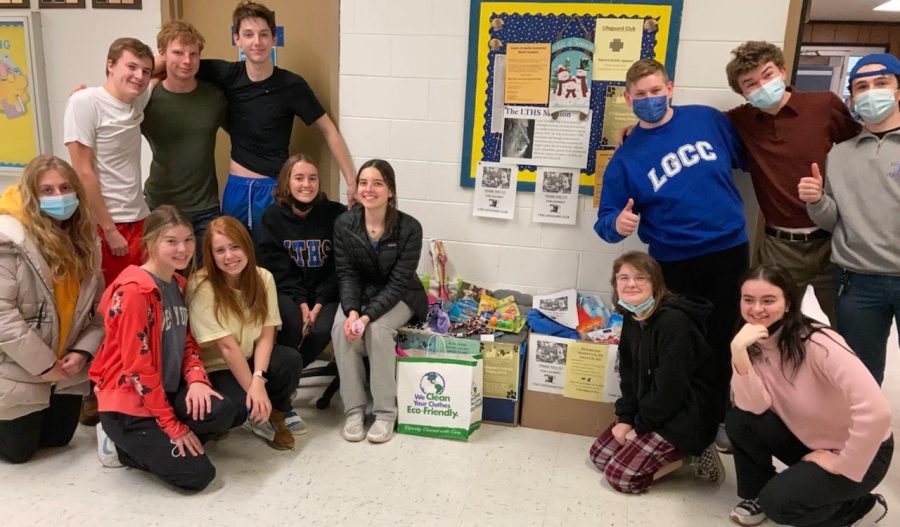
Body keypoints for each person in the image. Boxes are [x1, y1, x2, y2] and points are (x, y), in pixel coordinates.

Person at [594, 58, 748, 447]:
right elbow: (606, 220)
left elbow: (750, 156)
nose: (650, 99)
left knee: (723, 341)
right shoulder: (627, 157)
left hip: (727, 250)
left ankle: (717, 422)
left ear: (670, 88)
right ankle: (675, 424)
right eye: (641, 94)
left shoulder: (708, 120)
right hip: (672, 261)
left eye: (656, 91)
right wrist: (618, 225)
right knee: (673, 348)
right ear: (629, 99)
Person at [726, 264, 892, 526]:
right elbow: (753, 406)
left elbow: (877, 412)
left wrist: (842, 463)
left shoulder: (819, 343)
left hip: (865, 451)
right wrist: (738, 353)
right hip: (812, 439)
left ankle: (861, 508)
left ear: (788, 303)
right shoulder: (751, 342)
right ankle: (758, 494)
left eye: (768, 300)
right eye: (749, 300)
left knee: (780, 505)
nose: (756, 309)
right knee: (740, 420)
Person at [89, 206, 236, 492]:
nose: (182, 249)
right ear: (150, 243)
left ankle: (155, 441)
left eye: (188, 240)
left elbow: (187, 342)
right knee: (198, 475)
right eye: (171, 241)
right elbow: (138, 369)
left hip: (163, 392)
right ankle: (122, 444)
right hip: (129, 403)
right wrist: (173, 426)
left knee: (221, 410)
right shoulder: (135, 291)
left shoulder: (178, 284)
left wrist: (196, 380)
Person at [186, 1, 356, 234]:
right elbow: (178, 64)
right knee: (233, 258)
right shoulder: (228, 74)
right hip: (236, 189)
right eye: (248, 34)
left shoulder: (291, 85)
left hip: (275, 189)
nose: (257, 42)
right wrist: (147, 81)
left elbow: (328, 130)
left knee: (272, 262)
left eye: (264, 34)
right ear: (237, 39)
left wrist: (351, 180)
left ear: (274, 39)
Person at [725, 41, 861, 326]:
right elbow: (693, 126)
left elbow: (860, 151)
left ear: (783, 72)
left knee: (847, 326)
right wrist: (636, 129)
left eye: (768, 74)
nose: (762, 85)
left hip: (833, 240)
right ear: (742, 93)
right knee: (769, 327)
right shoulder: (741, 121)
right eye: (750, 83)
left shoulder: (823, 105)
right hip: (779, 246)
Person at [798, 53, 900, 386]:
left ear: (898, 90)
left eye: (881, 83)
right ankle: (873, 439)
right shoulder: (840, 154)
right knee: (860, 375)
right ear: (852, 97)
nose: (872, 92)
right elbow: (832, 221)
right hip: (855, 280)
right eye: (862, 86)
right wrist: (816, 201)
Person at [589, 251, 723, 494]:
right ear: (615, 284)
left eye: (641, 278)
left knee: (620, 477)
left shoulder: (674, 323)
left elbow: (672, 388)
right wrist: (626, 419)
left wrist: (639, 427)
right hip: (655, 410)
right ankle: (661, 450)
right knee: (599, 457)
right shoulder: (633, 317)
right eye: (623, 278)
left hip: (687, 415)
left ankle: (691, 454)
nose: (631, 284)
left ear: (656, 283)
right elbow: (628, 374)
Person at [0, 155, 103, 463]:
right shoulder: (10, 242)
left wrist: (83, 352)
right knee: (19, 453)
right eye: (47, 190)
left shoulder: (84, 240)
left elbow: (98, 311)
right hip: (16, 366)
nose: (59, 197)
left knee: (59, 440)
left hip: (66, 369)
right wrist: (44, 365)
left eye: (65, 187)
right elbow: (2, 317)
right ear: (32, 194)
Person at [331, 159, 427, 443]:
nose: (369, 189)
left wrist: (366, 317)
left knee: (378, 330)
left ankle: (385, 412)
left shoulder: (410, 228)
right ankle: (355, 410)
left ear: (391, 191)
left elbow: (398, 282)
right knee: (340, 329)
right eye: (363, 183)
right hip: (359, 294)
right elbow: (346, 274)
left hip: (401, 294)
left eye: (377, 183)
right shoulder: (344, 224)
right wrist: (351, 312)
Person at [188, 216, 302, 450]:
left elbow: (266, 333)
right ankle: (251, 411)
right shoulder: (201, 286)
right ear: (211, 255)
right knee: (237, 407)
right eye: (220, 250)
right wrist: (254, 389)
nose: (229, 256)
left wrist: (258, 379)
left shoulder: (263, 277)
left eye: (235, 246)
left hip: (250, 357)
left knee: (289, 360)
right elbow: (227, 348)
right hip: (219, 367)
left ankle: (274, 415)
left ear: (247, 246)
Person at [255, 153, 345, 432]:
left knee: (321, 330)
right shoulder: (271, 217)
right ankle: (281, 398)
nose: (307, 184)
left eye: (312, 178)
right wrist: (301, 302)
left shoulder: (336, 214)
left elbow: (340, 265)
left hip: (327, 292)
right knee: (291, 322)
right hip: (288, 290)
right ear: (287, 182)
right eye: (299, 178)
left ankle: (285, 383)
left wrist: (318, 303)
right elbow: (276, 267)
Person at [64, 37, 154, 288]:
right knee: (114, 301)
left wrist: (151, 68)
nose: (139, 76)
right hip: (108, 223)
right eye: (131, 67)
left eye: (145, 71)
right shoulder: (84, 101)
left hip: (139, 218)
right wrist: (109, 229)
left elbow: (166, 62)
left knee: (141, 297)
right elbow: (82, 172)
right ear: (110, 65)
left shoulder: (136, 101)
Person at [142, 21, 226, 265]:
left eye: (193, 54)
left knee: (203, 283)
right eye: (178, 53)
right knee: (162, 282)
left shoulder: (214, 97)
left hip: (205, 207)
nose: (186, 61)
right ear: (162, 54)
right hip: (160, 206)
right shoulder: (147, 98)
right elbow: (110, 111)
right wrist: (82, 96)